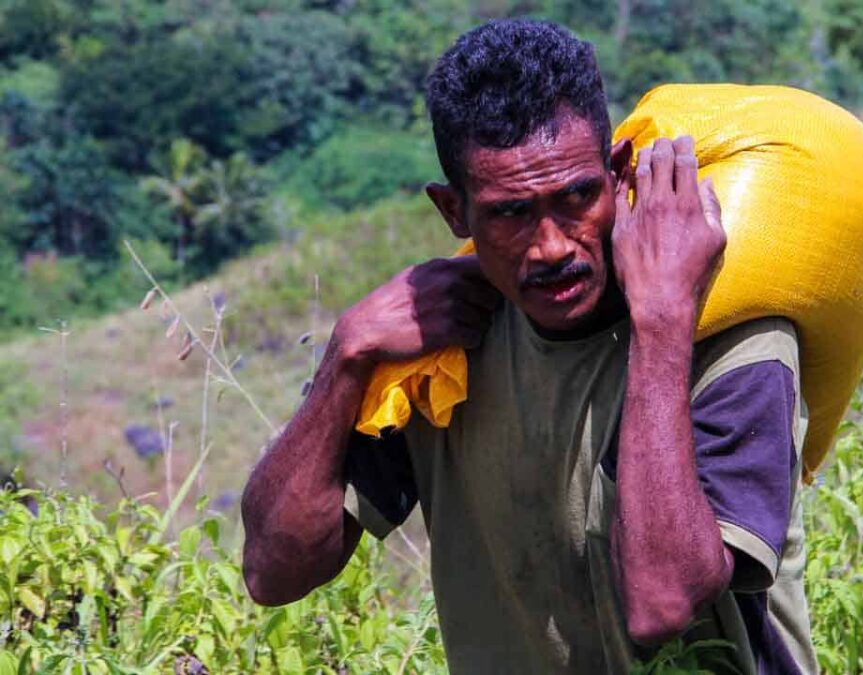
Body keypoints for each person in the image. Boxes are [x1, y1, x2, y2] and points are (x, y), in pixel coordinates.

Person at [241, 18, 817, 675]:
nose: (551, 245)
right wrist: (345, 357)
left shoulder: (732, 334)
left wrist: (661, 321)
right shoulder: (441, 355)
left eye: (577, 197)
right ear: (454, 213)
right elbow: (272, 571)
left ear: (618, 175)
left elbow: (663, 603)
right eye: (510, 212)